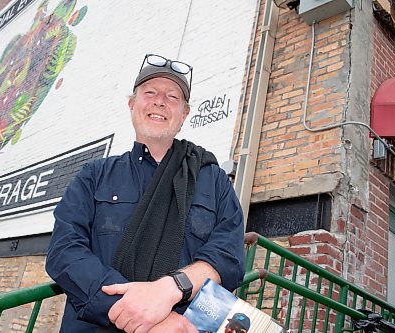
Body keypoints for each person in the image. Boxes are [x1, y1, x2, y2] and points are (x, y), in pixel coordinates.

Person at [46, 53, 245, 333]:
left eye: (172, 96)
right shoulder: (93, 175)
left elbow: (229, 255)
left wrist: (172, 288)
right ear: (132, 104)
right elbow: (64, 252)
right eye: (149, 92)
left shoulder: (213, 179)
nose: (160, 101)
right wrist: (150, 318)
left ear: (184, 114)